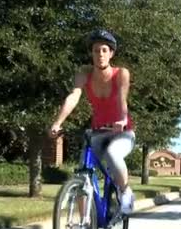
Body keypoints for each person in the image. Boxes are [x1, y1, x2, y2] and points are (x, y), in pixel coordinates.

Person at [50, 29, 135, 214]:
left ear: (111, 53)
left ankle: (125, 191)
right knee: (83, 173)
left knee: (113, 154)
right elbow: (73, 97)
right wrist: (58, 122)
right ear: (91, 53)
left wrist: (122, 119)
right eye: (96, 50)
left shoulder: (121, 73)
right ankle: (84, 223)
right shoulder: (84, 74)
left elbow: (122, 98)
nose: (100, 54)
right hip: (98, 132)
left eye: (104, 50)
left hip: (122, 131)